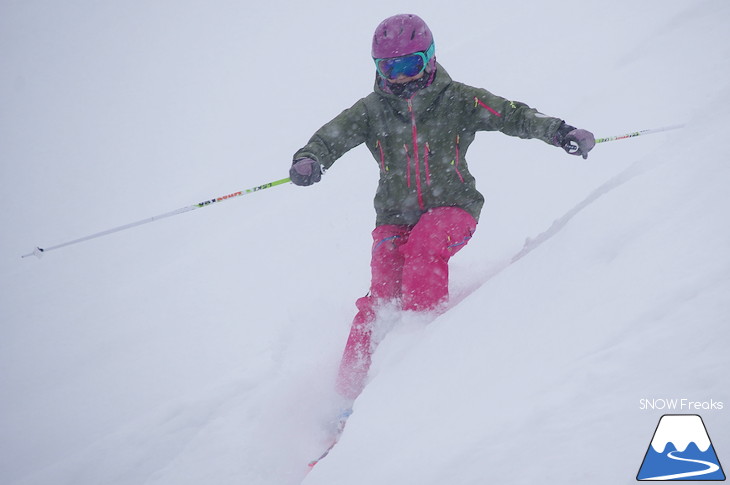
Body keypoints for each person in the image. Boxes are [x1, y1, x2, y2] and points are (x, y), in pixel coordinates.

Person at [290, 14, 595, 403]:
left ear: (429, 59)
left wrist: (559, 131)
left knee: (424, 246)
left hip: (454, 208)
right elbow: (328, 137)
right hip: (394, 218)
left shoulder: (459, 100)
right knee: (379, 300)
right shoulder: (372, 109)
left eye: (408, 65)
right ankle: (345, 401)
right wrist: (310, 159)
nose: (399, 77)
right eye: (389, 68)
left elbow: (512, 115)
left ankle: (420, 353)